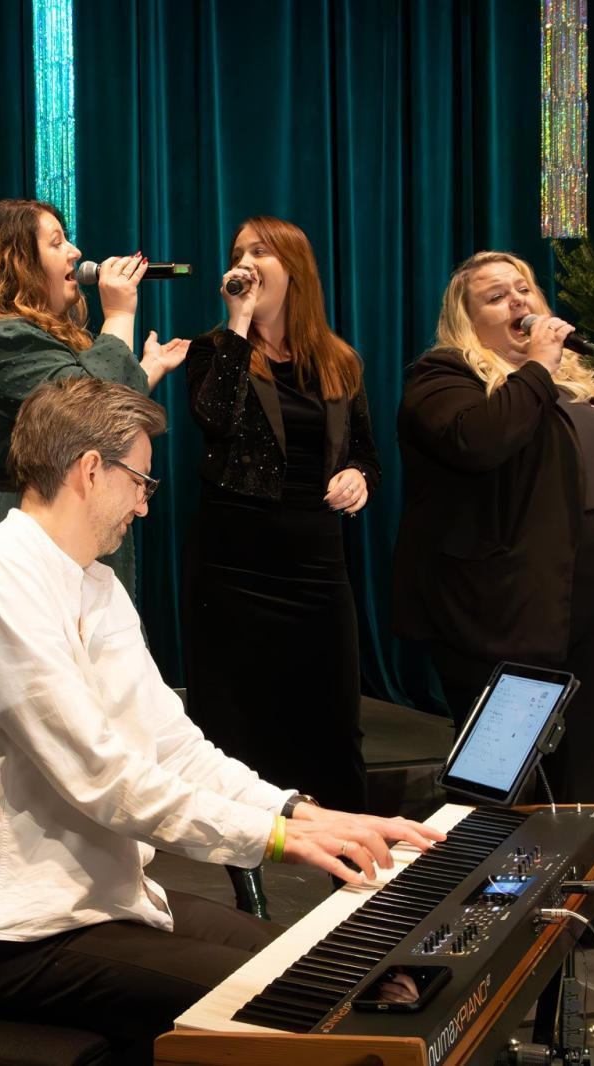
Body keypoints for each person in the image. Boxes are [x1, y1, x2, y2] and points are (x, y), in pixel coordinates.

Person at [0, 376, 442, 1063]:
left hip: (111, 901)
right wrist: (277, 840)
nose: (143, 504)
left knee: (349, 968)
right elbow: (103, 777)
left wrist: (306, 812)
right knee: (310, 1000)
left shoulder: (97, 585)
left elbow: (174, 746)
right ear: (88, 470)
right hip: (16, 933)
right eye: (140, 481)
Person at [392, 251, 594, 948]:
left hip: (591, 604)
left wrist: (549, 374)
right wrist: (536, 369)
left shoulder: (572, 384)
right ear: (467, 317)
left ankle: (584, 900)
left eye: (524, 288)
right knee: (505, 770)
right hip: (502, 609)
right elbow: (480, 443)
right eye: (494, 296)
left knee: (589, 756)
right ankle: (504, 910)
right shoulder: (443, 379)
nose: (517, 302)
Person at [182, 215, 377, 817]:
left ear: (294, 267)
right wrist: (239, 322)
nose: (244, 261)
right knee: (238, 721)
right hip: (233, 564)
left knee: (332, 714)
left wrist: (360, 478)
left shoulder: (340, 360)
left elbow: (366, 452)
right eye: (238, 251)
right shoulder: (215, 349)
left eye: (260, 251)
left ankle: (344, 835)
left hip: (316, 564)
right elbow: (214, 419)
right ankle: (246, 854)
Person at [0, 198, 188, 594]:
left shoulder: (40, 339)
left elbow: (96, 410)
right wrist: (120, 315)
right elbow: (91, 414)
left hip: (74, 518)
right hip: (24, 522)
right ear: (16, 261)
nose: (75, 252)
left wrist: (147, 371)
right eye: (57, 242)